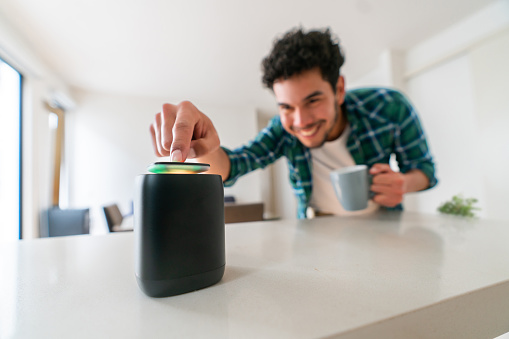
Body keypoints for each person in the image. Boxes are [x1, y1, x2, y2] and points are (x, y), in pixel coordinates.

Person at [150, 27, 437, 219]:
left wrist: (403, 183)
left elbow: (425, 171)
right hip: (316, 232)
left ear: (338, 89)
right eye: (286, 107)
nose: (301, 122)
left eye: (312, 101)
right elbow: (233, 165)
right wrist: (206, 146)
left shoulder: (389, 107)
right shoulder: (282, 131)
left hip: (385, 228)